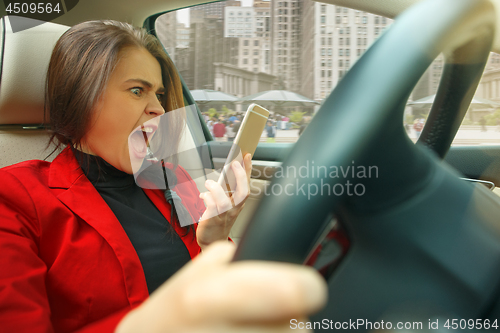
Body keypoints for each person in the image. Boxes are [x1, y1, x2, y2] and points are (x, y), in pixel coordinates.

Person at [0, 20, 327, 332]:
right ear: (82, 98)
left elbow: (218, 292)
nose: (158, 108)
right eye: (137, 90)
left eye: (158, 93)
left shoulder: (173, 178)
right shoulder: (14, 197)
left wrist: (214, 238)